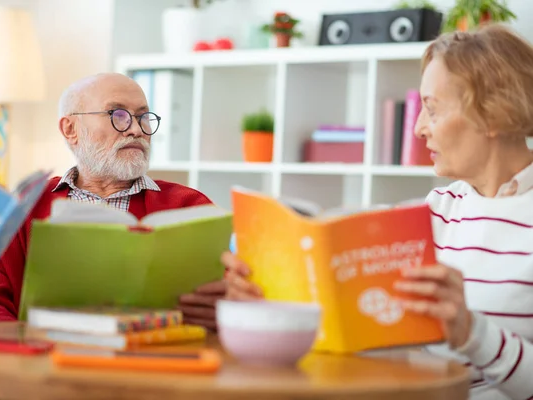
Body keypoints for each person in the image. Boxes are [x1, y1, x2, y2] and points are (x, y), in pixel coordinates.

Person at [224, 24, 533, 400]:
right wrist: (269, 293)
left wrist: (472, 332)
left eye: (432, 110)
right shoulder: (433, 213)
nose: (419, 129)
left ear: (495, 114)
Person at [0, 72, 225, 329]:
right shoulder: (23, 205)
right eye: (117, 115)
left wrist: (224, 311)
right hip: (45, 359)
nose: (136, 129)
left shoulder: (189, 207)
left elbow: (224, 298)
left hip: (155, 360)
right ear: (70, 129)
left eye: (144, 117)